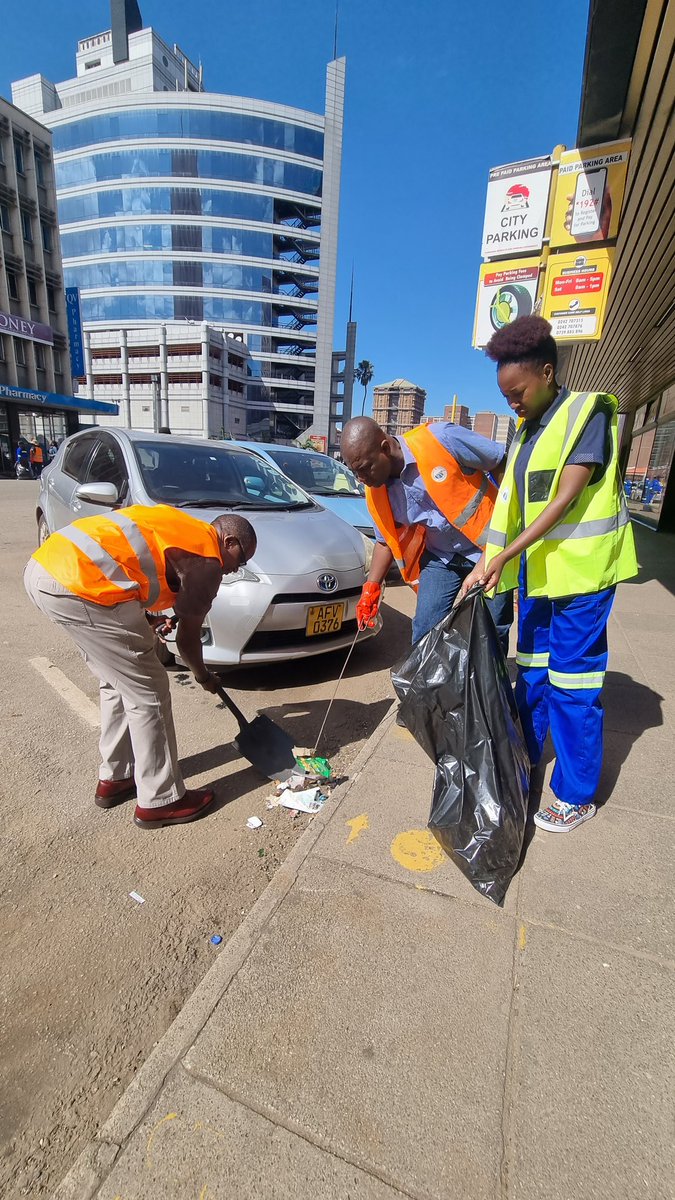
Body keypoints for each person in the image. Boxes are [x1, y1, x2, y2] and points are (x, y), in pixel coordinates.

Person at [457, 316, 637, 833]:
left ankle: (576, 793)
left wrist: (502, 556)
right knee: (532, 674)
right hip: (537, 579)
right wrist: (484, 565)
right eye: (505, 394)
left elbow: (565, 499)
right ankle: (526, 756)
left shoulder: (585, 414)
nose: (512, 401)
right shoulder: (525, 432)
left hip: (581, 579)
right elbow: (508, 508)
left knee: (573, 681)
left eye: (517, 391)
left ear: (547, 371)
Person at [24, 505, 257, 829]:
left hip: (47, 570)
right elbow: (188, 642)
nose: (236, 569)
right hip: (82, 586)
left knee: (116, 681)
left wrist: (147, 618)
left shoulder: (184, 528)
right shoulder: (208, 562)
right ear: (230, 542)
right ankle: (161, 800)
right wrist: (204, 677)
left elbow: (129, 563)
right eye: (241, 560)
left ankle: (116, 777)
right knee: (150, 690)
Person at [340, 416, 513, 650]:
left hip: (489, 550)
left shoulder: (441, 439)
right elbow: (384, 542)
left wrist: (511, 518)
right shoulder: (376, 492)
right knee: (425, 630)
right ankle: (430, 686)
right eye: (355, 472)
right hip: (441, 557)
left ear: (385, 448)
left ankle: (490, 685)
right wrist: (371, 587)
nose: (362, 479)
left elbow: (499, 461)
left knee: (491, 631)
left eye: (365, 469)